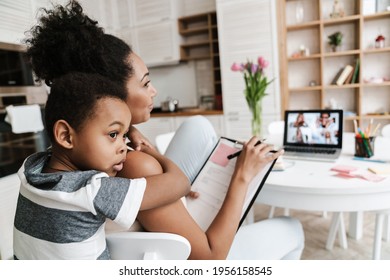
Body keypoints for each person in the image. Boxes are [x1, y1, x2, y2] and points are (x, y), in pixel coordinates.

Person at [24, 0, 304, 259]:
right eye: (145, 83)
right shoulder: (133, 166)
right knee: (293, 229)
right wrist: (242, 176)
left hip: (154, 222)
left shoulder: (51, 163)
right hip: (188, 259)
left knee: (198, 126)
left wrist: (129, 131)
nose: (154, 91)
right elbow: (210, 258)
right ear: (114, 99)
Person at [13, 72, 191, 259]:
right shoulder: (93, 191)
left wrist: (125, 130)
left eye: (125, 136)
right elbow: (181, 182)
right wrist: (151, 151)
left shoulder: (30, 169)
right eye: (114, 134)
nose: (124, 147)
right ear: (65, 136)